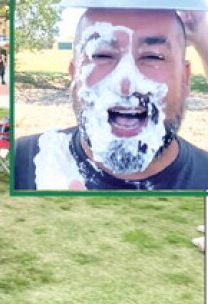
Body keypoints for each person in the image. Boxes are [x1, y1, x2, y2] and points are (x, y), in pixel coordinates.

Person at [14, 7, 208, 190]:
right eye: (101, 55)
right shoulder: (22, 162)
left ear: (185, 77)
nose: (126, 86)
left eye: (153, 57)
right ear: (74, 75)